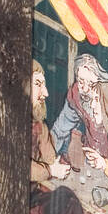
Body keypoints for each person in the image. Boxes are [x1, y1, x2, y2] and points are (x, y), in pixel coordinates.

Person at [49, 54, 108, 162]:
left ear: (98, 79)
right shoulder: (76, 95)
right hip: (92, 155)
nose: (85, 88)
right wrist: (48, 159)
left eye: (91, 83)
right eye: (81, 81)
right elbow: (61, 128)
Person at [30, 59, 70, 192]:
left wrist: (56, 165)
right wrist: (50, 170)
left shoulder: (39, 124)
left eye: (44, 85)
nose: (45, 93)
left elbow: (50, 158)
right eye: (38, 84)